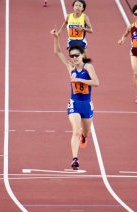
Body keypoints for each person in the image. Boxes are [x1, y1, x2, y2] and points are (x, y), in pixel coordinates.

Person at [50, 26, 99, 170]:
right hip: (74, 104)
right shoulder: (70, 68)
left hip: (87, 105)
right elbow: (57, 52)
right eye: (72, 56)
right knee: (75, 131)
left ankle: (84, 136)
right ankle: (75, 159)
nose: (74, 58)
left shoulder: (88, 67)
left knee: (85, 132)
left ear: (83, 55)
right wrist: (56, 38)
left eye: (77, 55)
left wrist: (79, 81)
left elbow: (96, 83)